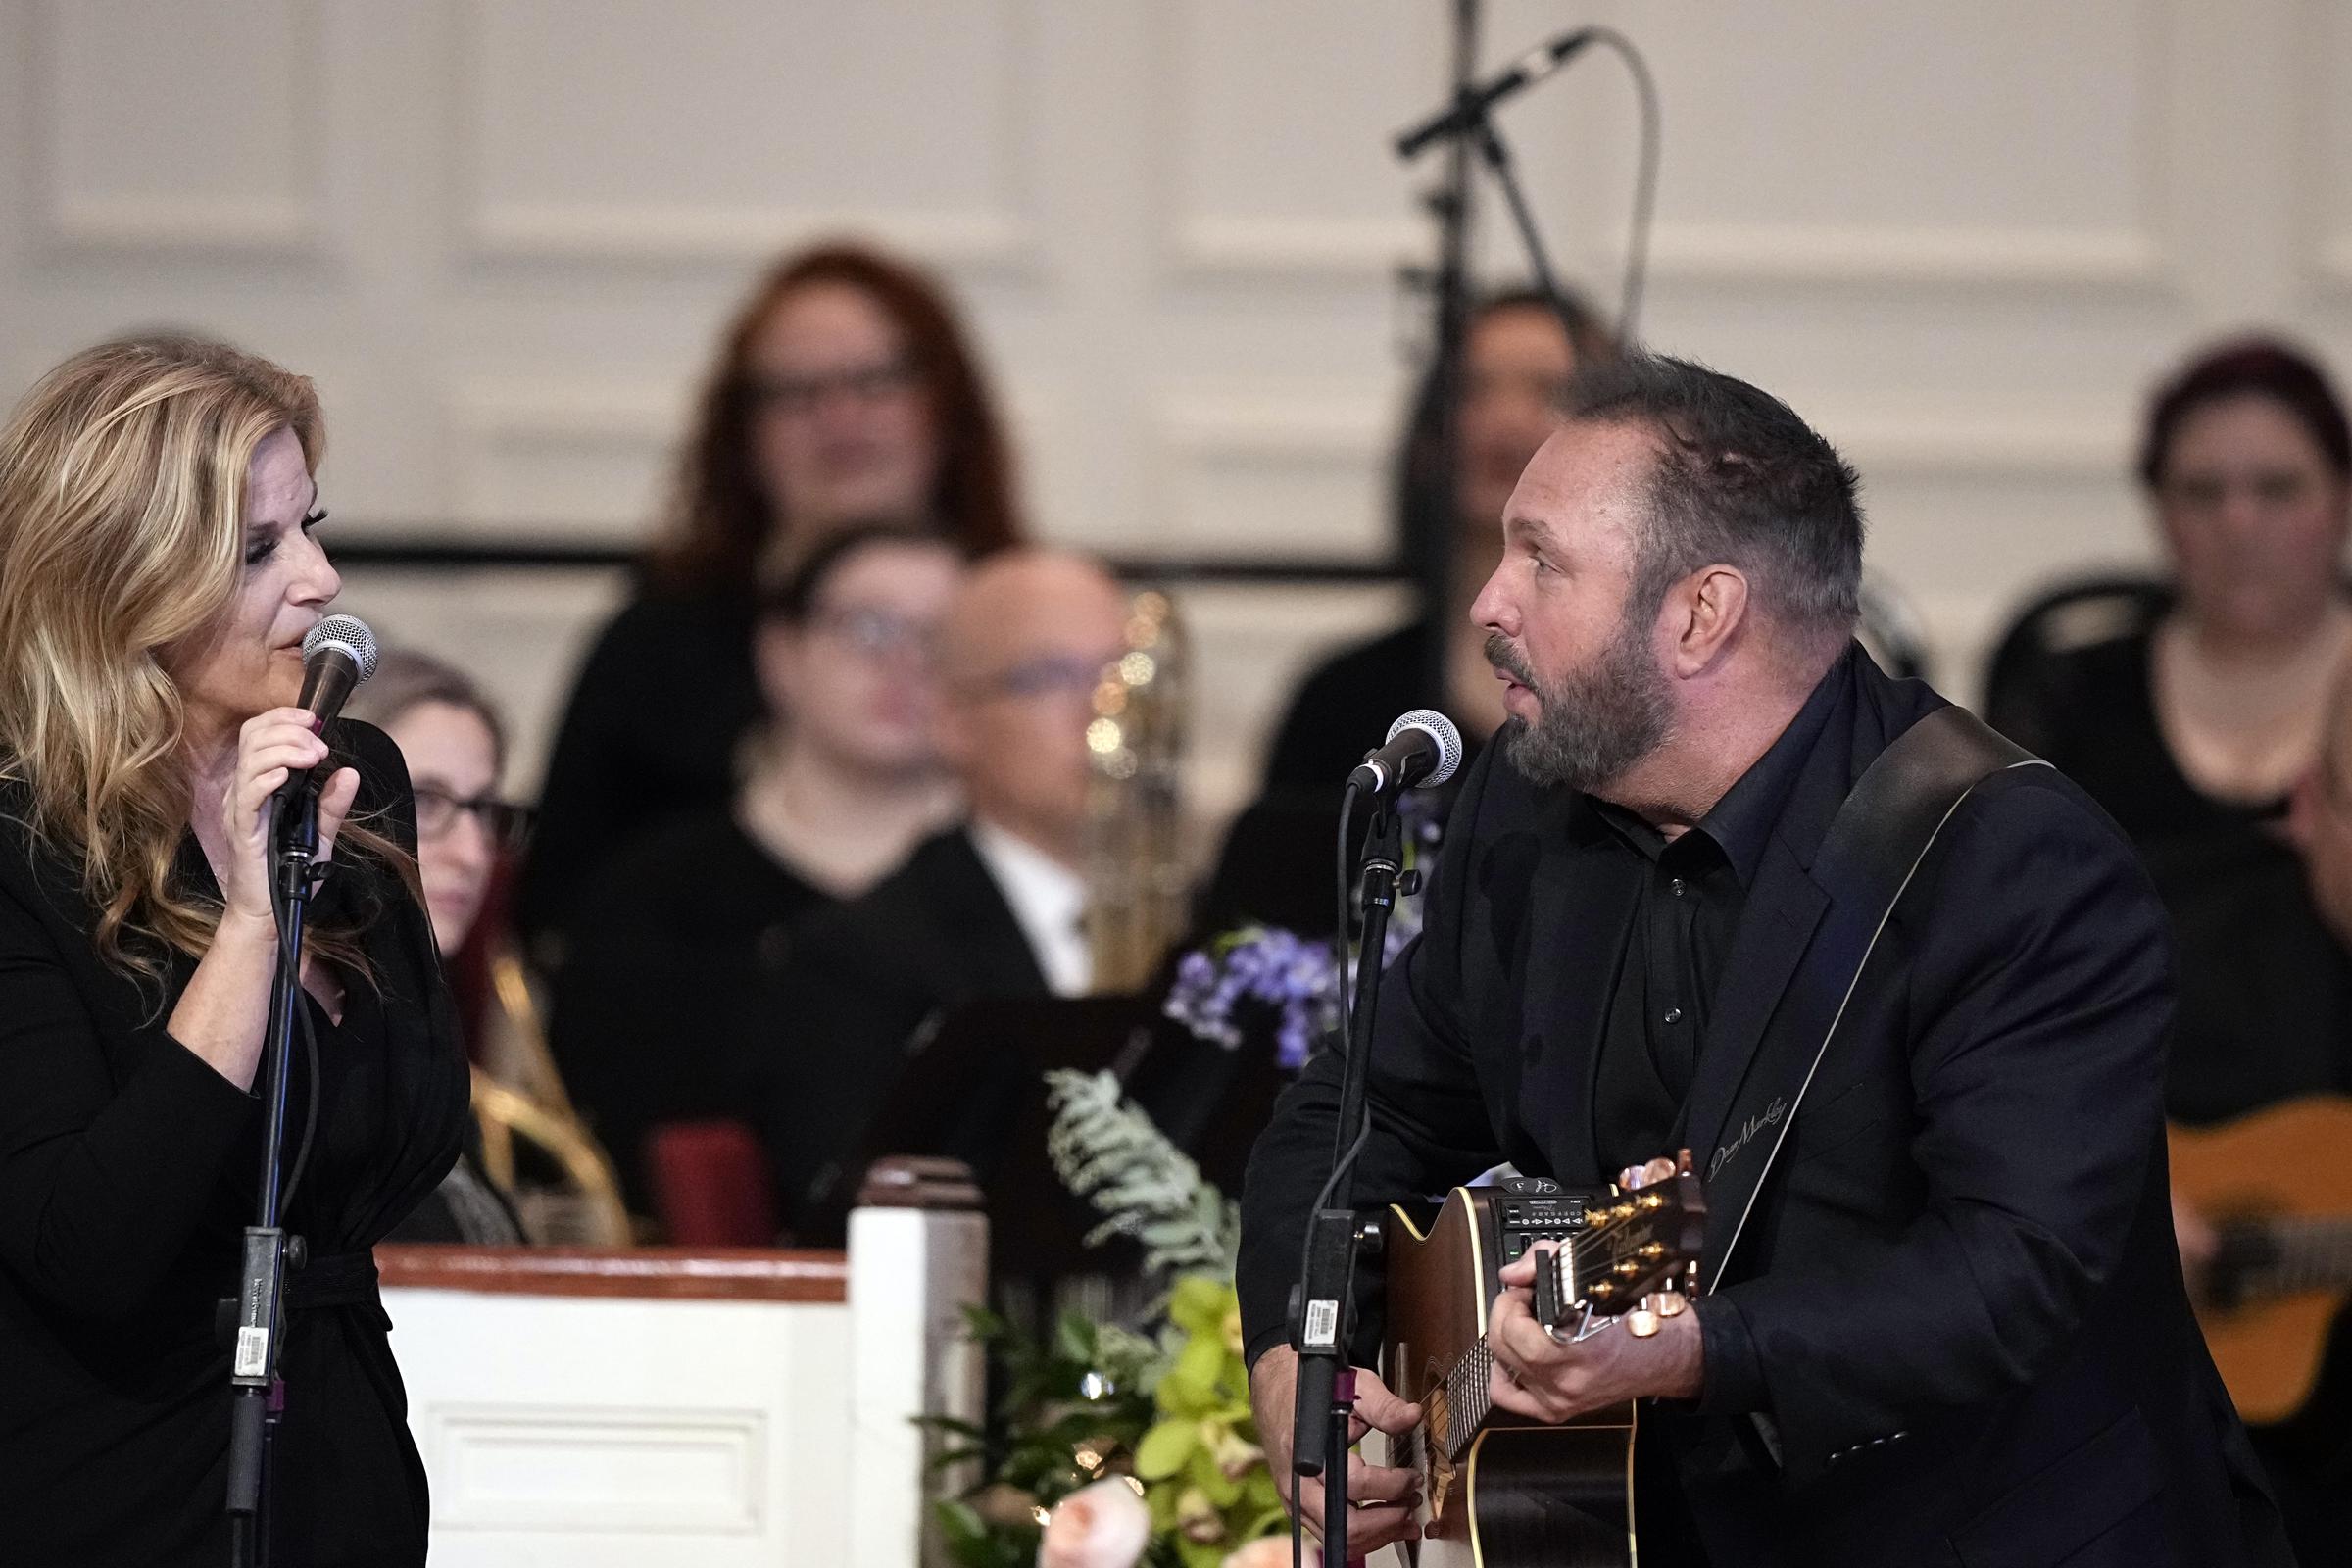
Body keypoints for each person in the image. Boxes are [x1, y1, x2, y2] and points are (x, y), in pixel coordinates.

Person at [1237, 353, 2288, 1564]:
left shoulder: (2009, 862)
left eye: (1541, 558)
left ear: (1700, 612)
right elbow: (1344, 1120)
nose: (1487, 601)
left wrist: (1696, 1349)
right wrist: (1291, 1362)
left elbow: (2012, 1271)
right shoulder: (1525, 824)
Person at [0, 338, 468, 1564]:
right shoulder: (19, 847)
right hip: (113, 1487)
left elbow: (406, 1137)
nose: (319, 580)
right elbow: (91, 1244)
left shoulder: (356, 787)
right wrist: (256, 923)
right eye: (258, 550)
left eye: (310, 525)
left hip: (345, 1466)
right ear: (120, 579)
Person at [519, 240, 1024, 959]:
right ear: (743, 433)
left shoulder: (1030, 625)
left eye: (876, 380)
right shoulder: (655, 645)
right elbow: (559, 911)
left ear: (944, 406)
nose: (841, 419)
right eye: (795, 392)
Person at [550, 524, 965, 1210]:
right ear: (781, 654)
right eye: (868, 627)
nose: (906, 663)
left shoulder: (1023, 891)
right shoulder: (653, 897)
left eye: (942, 636)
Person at [750, 548, 1128, 1242]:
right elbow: (865, 1236)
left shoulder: (1218, 921)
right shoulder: (856, 962)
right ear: (953, 720)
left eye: (1124, 675)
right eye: (1053, 677)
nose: (1106, 716)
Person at [1257, 287, 1612, 792]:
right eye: (1473, 390)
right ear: (1428, 436)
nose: (1507, 423)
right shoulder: (1341, 699)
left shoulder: (1647, 697)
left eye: (1551, 390)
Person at [346, 649, 534, 1246]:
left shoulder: (425, 1051)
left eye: (483, 809)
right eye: (424, 802)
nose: (475, 853)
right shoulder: (291, 1055)